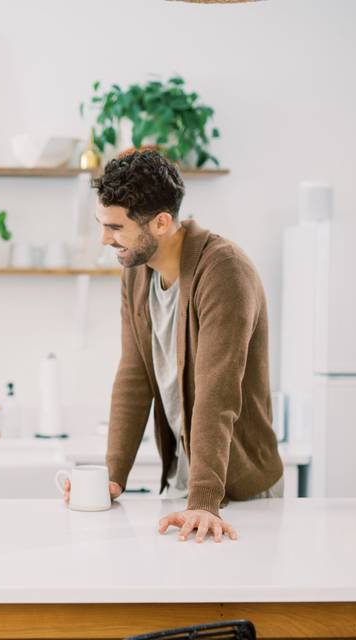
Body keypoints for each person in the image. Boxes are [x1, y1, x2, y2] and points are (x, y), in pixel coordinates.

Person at [68, 150, 283, 543]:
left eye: (115, 227)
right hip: (186, 489)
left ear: (162, 223)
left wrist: (204, 499)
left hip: (240, 492)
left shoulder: (223, 270)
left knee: (233, 604)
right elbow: (134, 377)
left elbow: (216, 393)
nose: (104, 239)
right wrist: (113, 478)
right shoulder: (137, 273)